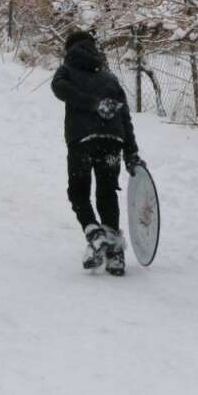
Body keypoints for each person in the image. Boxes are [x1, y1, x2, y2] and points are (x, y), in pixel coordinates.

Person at [50, 29, 143, 277]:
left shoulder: (67, 69)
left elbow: (58, 88)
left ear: (69, 48)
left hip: (82, 140)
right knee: (107, 192)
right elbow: (124, 116)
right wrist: (131, 152)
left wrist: (91, 104)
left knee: (78, 191)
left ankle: (95, 234)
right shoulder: (109, 77)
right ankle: (115, 255)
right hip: (112, 140)